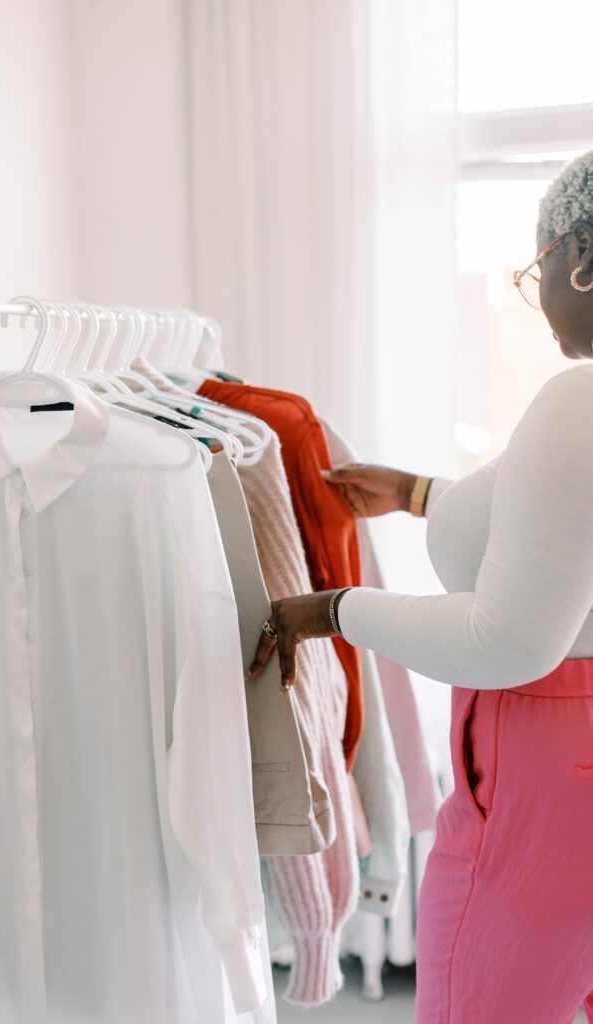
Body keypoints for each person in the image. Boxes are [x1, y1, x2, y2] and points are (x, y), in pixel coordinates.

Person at [248, 150, 593, 1023]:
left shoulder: (579, 401)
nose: (536, 292)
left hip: (548, 766)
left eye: (537, 266)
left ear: (580, 252)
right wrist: (416, 494)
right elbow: (563, 537)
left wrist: (332, 610)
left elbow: (507, 643)